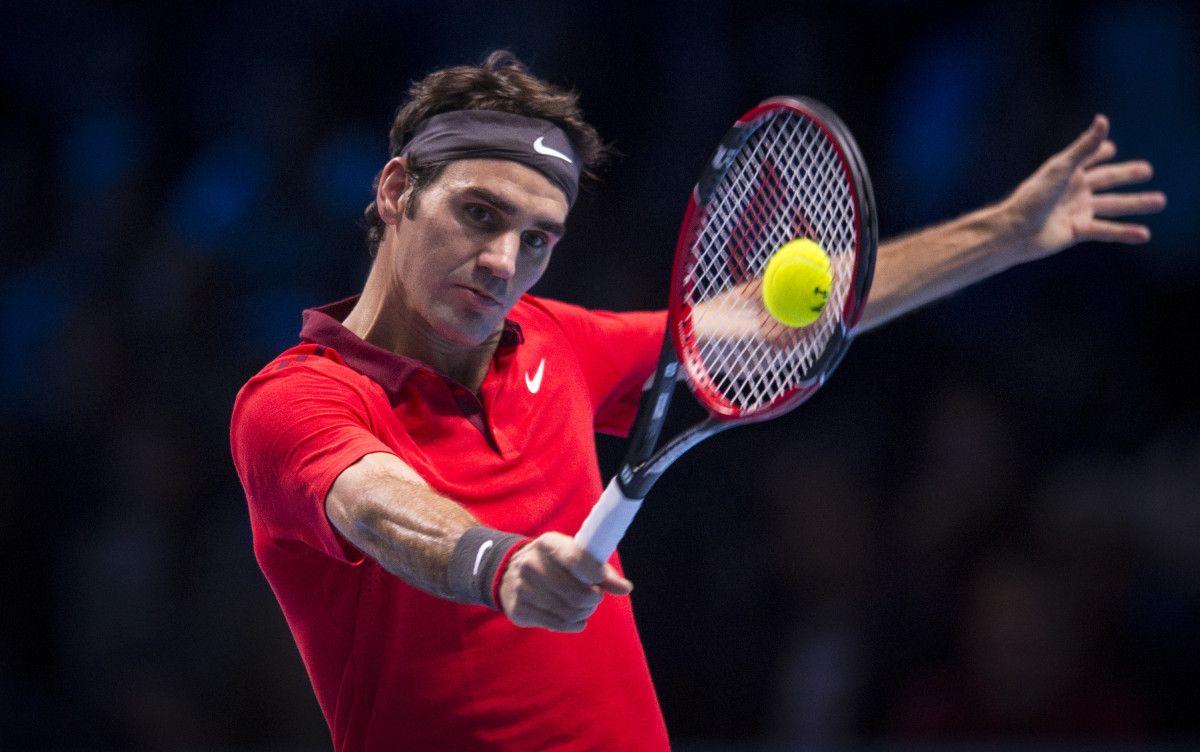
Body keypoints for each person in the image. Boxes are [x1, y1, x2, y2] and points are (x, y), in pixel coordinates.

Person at [229, 51, 1165, 751]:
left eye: (538, 239)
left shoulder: (555, 341)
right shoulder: (296, 400)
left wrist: (1003, 233)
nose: (503, 264)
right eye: (479, 213)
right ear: (398, 191)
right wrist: (497, 563)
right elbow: (375, 505)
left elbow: (775, 315)